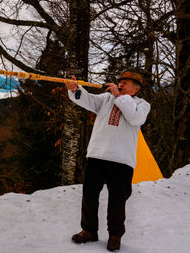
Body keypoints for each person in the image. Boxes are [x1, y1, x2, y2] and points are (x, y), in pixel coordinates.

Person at [65, 71, 151, 252]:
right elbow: (87, 100)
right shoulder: (106, 98)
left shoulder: (141, 105)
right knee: (89, 194)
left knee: (118, 200)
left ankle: (115, 235)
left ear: (136, 89)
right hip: (97, 154)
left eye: (126, 83)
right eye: (121, 81)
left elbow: (135, 118)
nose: (121, 84)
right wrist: (76, 90)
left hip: (123, 159)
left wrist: (118, 96)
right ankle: (88, 230)